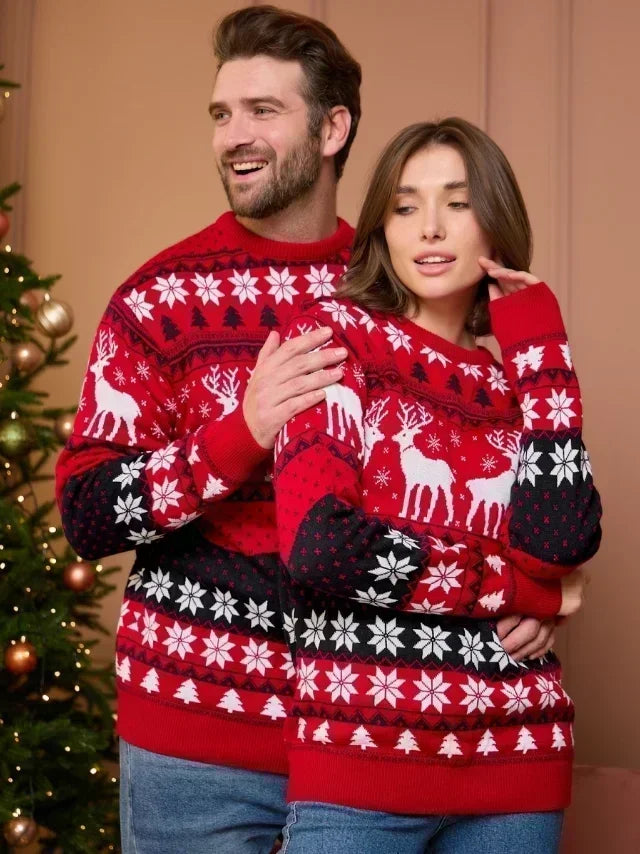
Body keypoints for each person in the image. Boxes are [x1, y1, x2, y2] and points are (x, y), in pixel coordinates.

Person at [55, 6, 361, 853]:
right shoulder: (156, 300)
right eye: (222, 113)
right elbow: (85, 512)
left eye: (264, 111)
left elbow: (464, 476)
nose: (234, 135)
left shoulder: (392, 292)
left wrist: (543, 592)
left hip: (370, 737)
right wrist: (242, 431)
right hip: (193, 744)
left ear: (332, 128)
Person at [273, 118, 602, 853]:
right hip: (359, 763)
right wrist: (516, 589)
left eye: (457, 202)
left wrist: (544, 355)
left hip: (517, 766)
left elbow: (559, 544)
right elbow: (321, 546)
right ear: (382, 229)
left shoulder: (517, 380)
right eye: (404, 204)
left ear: (495, 220)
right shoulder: (335, 337)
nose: (429, 227)